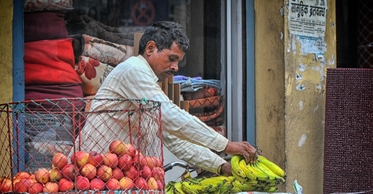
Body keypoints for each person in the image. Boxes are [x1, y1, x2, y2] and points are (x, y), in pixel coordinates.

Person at [78, 21, 257, 176]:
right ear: (150, 48)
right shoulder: (133, 70)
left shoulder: (147, 83)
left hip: (117, 172)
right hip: (94, 167)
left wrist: (220, 166)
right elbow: (170, 116)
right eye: (172, 59)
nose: (175, 67)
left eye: (178, 61)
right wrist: (225, 145)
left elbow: (174, 138)